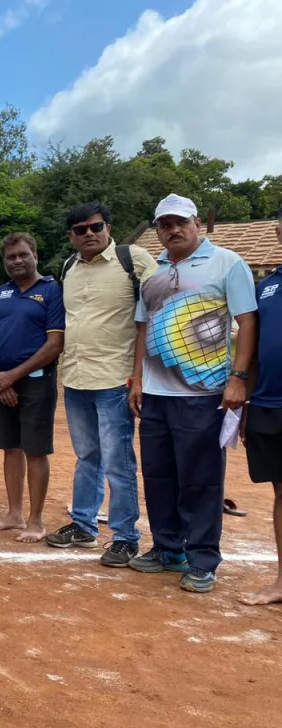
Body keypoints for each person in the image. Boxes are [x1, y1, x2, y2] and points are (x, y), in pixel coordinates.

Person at [128, 193, 257, 593]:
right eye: (164, 224)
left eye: (180, 222)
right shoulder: (154, 272)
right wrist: (136, 378)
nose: (173, 230)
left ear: (197, 223)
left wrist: (238, 377)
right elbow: (143, 328)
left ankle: (202, 558)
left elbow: (247, 322)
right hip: (155, 394)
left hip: (203, 394)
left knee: (200, 479)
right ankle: (168, 548)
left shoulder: (227, 264)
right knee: (159, 474)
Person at [46, 202, 156, 566]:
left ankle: (126, 537)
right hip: (76, 378)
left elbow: (151, 317)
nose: (89, 234)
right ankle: (83, 524)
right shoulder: (68, 268)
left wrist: (139, 375)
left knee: (118, 461)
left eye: (95, 226)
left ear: (108, 226)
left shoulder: (133, 260)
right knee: (86, 457)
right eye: (80, 230)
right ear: (71, 236)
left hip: (115, 378)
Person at [0, 232, 65, 543]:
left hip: (36, 383)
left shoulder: (52, 291)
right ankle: (14, 514)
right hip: (0, 382)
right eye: (10, 257)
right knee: (10, 449)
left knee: (35, 451)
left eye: (23, 255)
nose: (17, 261)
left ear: (35, 255)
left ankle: (35, 520)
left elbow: (55, 345)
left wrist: (11, 376)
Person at [240, 205, 282, 605]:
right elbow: (250, 350)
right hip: (267, 404)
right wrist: (246, 402)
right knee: (280, 494)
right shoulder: (266, 287)